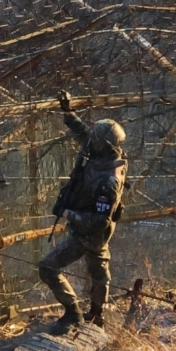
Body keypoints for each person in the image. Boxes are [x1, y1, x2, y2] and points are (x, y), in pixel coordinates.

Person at [40, 94, 127, 334]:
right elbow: (85, 137)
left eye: (95, 140)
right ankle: (96, 316)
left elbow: (99, 221)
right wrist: (69, 114)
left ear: (103, 144)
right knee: (98, 270)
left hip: (90, 233)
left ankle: (73, 314)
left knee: (48, 267)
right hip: (90, 230)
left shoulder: (109, 180)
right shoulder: (104, 155)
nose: (90, 141)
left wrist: (68, 213)